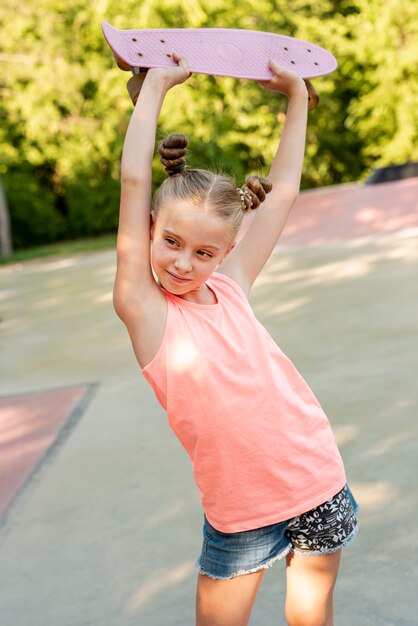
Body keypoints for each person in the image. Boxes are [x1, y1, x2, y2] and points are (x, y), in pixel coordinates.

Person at [113, 52, 359, 626]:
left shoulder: (231, 285)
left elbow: (285, 192)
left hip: (317, 476)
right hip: (241, 513)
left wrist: (297, 98)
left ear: (225, 252)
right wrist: (155, 88)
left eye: (203, 252)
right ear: (150, 228)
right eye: (171, 241)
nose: (182, 262)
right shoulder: (144, 310)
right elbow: (132, 180)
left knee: (311, 617)